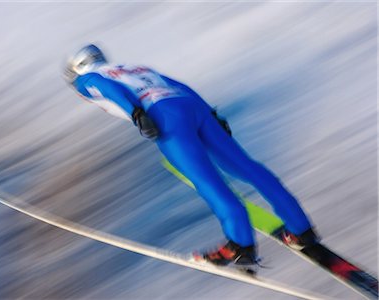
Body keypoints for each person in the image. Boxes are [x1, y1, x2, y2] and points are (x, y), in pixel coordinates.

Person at [64, 44, 319, 268]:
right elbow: (179, 85)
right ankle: (301, 229)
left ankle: (240, 246)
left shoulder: (87, 79)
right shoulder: (133, 67)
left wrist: (136, 114)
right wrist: (212, 114)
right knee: (248, 169)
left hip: (166, 117)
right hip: (192, 107)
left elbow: (103, 86)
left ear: (76, 70)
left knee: (208, 181)